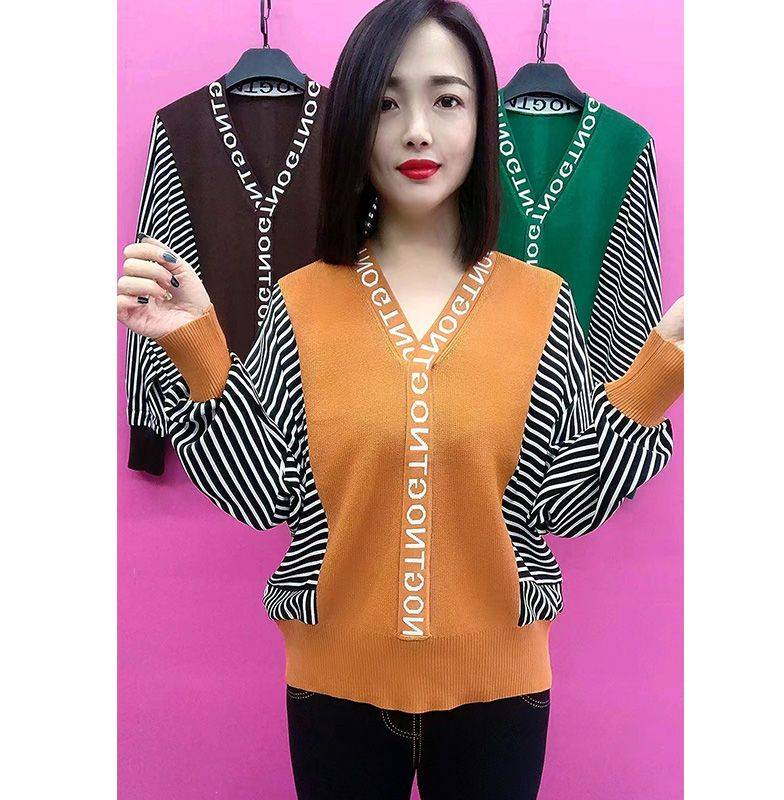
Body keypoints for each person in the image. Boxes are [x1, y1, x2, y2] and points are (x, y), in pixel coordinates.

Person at [117, 1, 684, 797]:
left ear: (484, 121)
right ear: (352, 122)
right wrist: (199, 349)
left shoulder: (544, 304)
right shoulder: (301, 302)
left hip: (502, 694)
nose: (418, 130)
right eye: (387, 103)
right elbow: (262, 493)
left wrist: (661, 375)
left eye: (447, 99)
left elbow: (566, 502)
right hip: (334, 692)